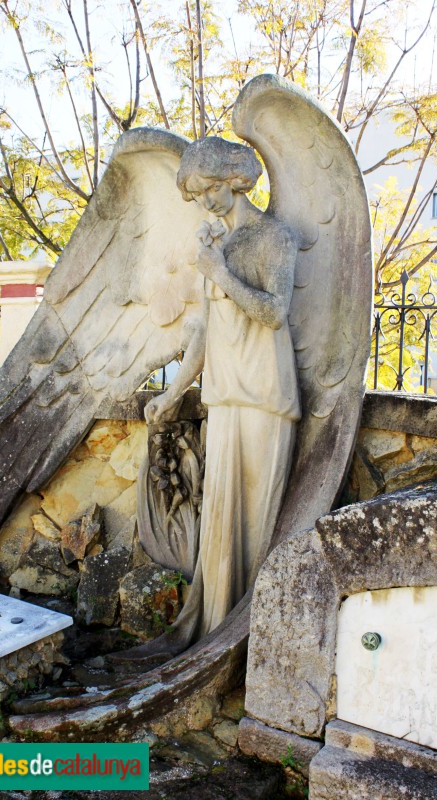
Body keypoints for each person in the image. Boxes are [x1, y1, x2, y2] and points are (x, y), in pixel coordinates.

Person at [130, 136, 301, 658]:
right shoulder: (214, 246)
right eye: (198, 192)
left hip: (266, 397)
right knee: (221, 523)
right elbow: (204, 333)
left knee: (254, 527)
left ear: (235, 179)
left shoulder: (274, 237)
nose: (205, 201)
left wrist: (221, 273)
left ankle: (245, 643)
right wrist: (173, 392)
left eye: (210, 188)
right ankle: (212, 631)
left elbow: (274, 312)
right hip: (224, 396)